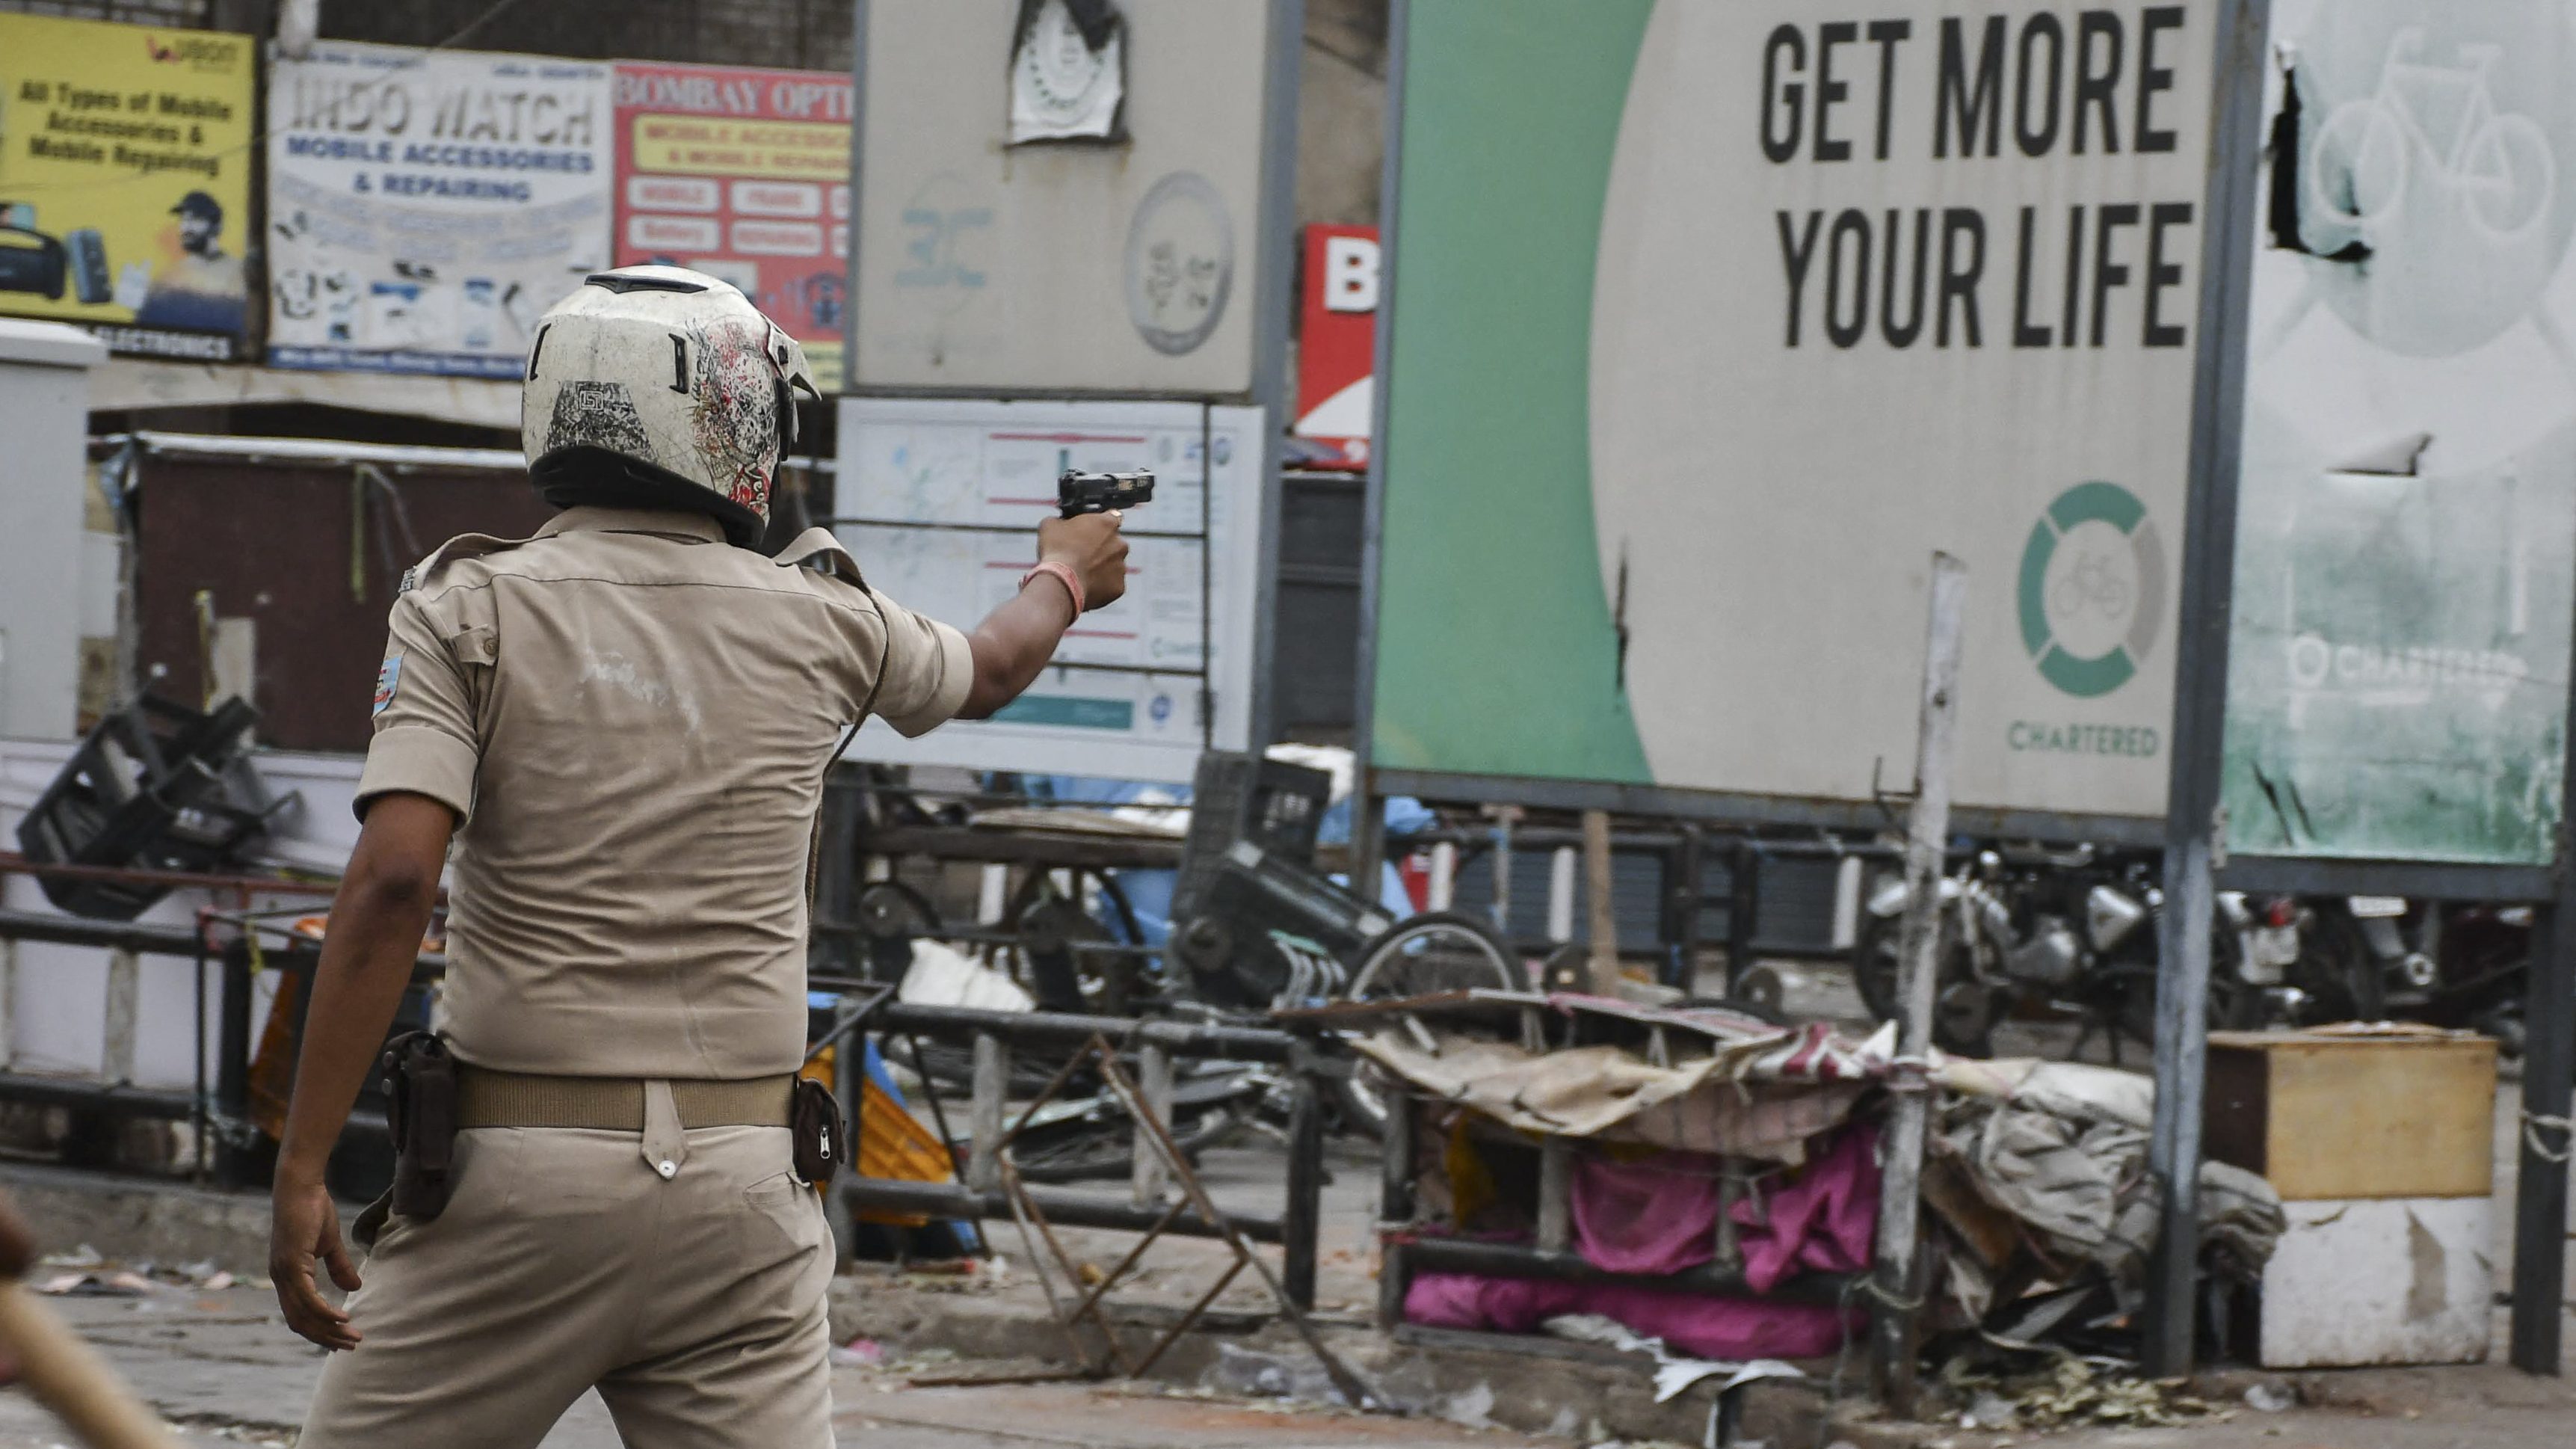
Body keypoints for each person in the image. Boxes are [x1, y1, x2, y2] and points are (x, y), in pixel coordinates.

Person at [268, 265, 1129, 1448]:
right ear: (742, 429)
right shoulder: (824, 619)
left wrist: (303, 1159)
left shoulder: (469, 608)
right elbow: (988, 665)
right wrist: (1067, 572)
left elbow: (395, 879)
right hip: (744, 1186)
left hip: (514, 1184)